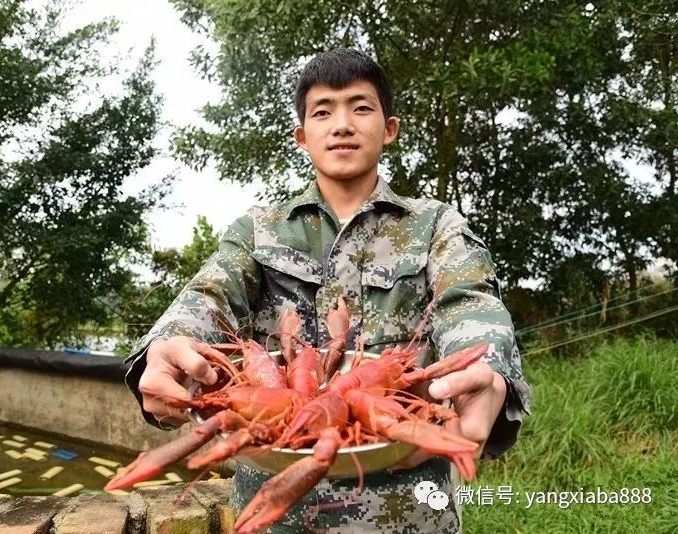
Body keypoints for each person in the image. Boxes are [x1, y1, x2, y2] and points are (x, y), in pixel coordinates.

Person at [124, 48, 533, 533]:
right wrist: (167, 347)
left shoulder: (436, 225)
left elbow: (471, 306)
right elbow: (208, 296)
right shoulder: (257, 230)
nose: (341, 124)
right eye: (323, 111)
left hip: (410, 510)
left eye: (360, 107)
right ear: (302, 136)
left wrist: (485, 371)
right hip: (274, 515)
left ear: (390, 128)